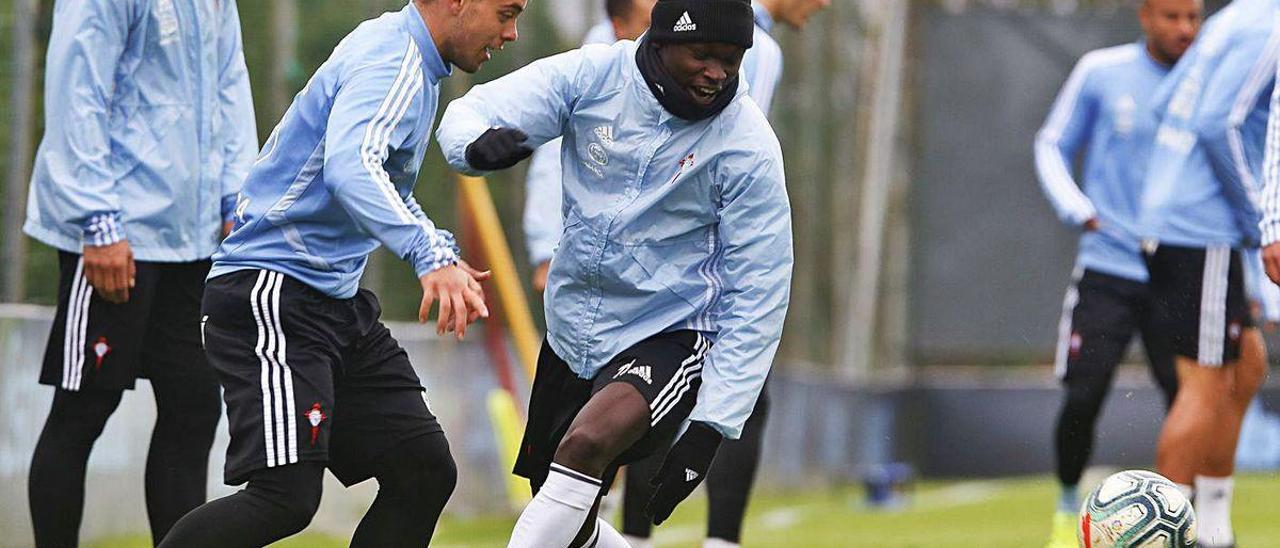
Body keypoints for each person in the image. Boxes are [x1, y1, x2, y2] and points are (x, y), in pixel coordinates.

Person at [154, 0, 521, 545]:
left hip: (333, 300)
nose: (511, 33)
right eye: (506, 12)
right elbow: (352, 167)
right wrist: (430, 254)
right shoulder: (393, 58)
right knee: (284, 498)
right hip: (274, 292)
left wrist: (437, 252)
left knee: (421, 469)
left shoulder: (413, 63)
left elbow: (374, 177)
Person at [438, 0, 792, 546]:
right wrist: (475, 148)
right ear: (662, 40)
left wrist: (711, 428)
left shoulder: (748, 145)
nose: (717, 72)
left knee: (585, 445)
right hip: (572, 331)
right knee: (566, 521)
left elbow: (761, 293)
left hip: (670, 334)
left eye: (731, 58)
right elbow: (476, 109)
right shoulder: (594, 75)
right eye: (702, 53)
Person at [22, 1, 257, 545]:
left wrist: (235, 200)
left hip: (195, 236)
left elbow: (230, 85)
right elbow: (76, 85)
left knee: (194, 408)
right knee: (84, 409)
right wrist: (97, 218)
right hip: (115, 232)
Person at [613, 1, 825, 547]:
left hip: (654, 247)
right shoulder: (758, 50)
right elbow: (731, 161)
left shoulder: (694, 29)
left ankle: (634, 536)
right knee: (730, 390)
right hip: (709, 255)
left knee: (647, 386)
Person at [1031, 1, 1200, 546]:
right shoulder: (1101, 73)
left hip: (1181, 272)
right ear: (1145, 15)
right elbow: (1051, 143)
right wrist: (1075, 206)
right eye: (1173, 16)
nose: (1185, 29)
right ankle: (1064, 509)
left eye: (1194, 17)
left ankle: (1192, 517)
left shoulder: (1209, 80)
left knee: (1188, 399)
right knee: (1083, 396)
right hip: (1108, 268)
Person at [1138, 0, 1279, 545]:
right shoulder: (1269, 25)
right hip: (1202, 226)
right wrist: (1260, 220)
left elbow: (1165, 102)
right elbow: (1219, 122)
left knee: (1244, 366)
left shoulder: (1233, 18)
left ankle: (1214, 530)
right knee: (1203, 384)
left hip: (1174, 215)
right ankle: (1154, 535)